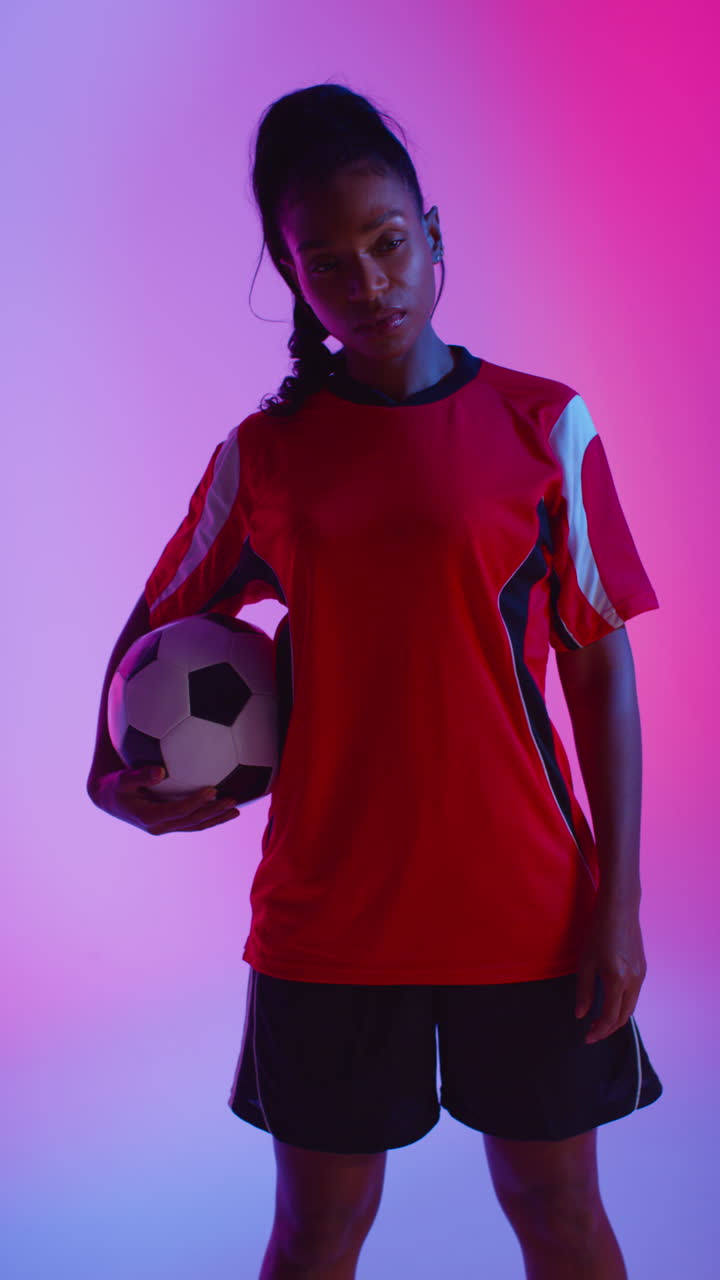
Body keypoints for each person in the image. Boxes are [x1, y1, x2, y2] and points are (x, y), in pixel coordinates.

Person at [86, 82, 663, 1280]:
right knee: (315, 1233)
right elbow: (154, 626)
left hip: (529, 907)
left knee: (560, 1213)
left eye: (389, 243)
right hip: (330, 914)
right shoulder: (267, 457)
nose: (370, 281)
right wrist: (110, 777)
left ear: (433, 235)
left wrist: (618, 903)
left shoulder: (543, 425)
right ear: (294, 278)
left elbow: (602, 670)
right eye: (329, 263)